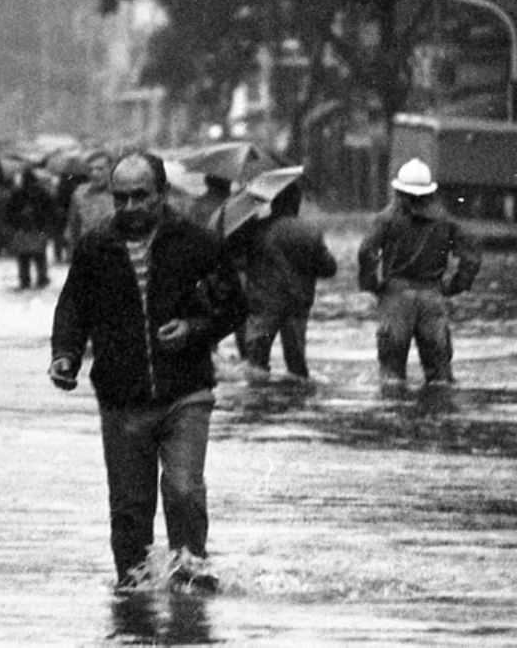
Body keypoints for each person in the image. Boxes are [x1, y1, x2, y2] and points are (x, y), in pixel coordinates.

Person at [48, 151, 246, 594]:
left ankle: (190, 581)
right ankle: (132, 600)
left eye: (141, 197)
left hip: (185, 393)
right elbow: (72, 309)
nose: (131, 207)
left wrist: (195, 329)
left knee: (183, 490)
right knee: (130, 510)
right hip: (122, 399)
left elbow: (234, 306)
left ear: (162, 194)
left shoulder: (196, 243)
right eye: (122, 198)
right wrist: (65, 355)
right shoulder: (96, 247)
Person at [357, 158, 481, 386]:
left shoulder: (385, 219)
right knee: (440, 379)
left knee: (391, 378)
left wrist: (371, 285)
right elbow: (472, 255)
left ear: (398, 190)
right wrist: (455, 286)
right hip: (432, 299)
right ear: (430, 193)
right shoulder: (446, 221)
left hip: (395, 299)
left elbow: (366, 252)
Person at [237, 181, 337, 382]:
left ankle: (257, 404)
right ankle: (298, 401)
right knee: (297, 367)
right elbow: (329, 268)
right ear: (297, 202)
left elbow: (239, 261)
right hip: (297, 305)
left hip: (263, 306)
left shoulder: (255, 230)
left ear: (272, 202)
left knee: (256, 365)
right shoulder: (310, 231)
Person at [5, 165, 57, 289]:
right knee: (39, 255)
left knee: (23, 257)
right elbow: (50, 210)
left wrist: (14, 223)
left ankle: (25, 279)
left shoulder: (17, 193)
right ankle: (42, 278)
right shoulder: (42, 193)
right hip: (38, 228)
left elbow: (9, 211)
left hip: (22, 228)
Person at [64, 149, 115, 247]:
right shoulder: (80, 194)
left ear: (111, 169)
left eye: (100, 169)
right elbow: (72, 230)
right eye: (90, 169)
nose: (94, 173)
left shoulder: (121, 193)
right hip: (88, 255)